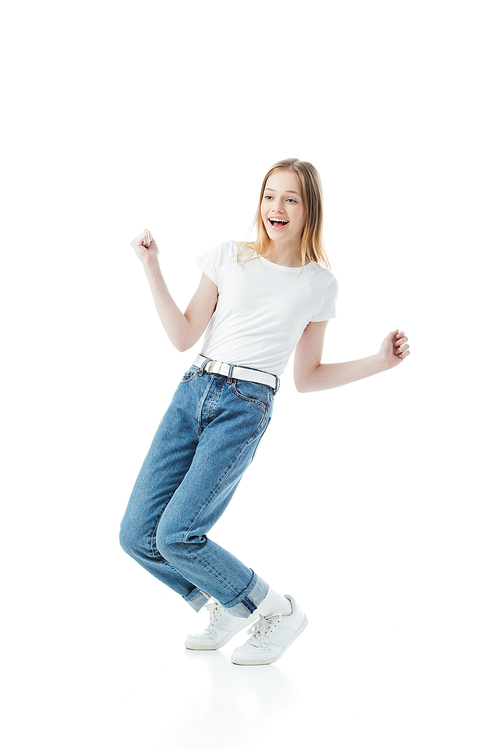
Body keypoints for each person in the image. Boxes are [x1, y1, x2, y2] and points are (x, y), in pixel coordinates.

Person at [119, 158, 410, 666]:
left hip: (245, 405)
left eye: (291, 198)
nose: (277, 207)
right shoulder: (229, 256)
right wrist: (152, 268)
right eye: (270, 195)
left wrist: (380, 363)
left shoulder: (320, 284)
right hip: (192, 391)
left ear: (308, 209)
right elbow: (184, 336)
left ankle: (279, 610)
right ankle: (228, 605)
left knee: (176, 535)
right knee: (137, 536)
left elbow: (308, 377)